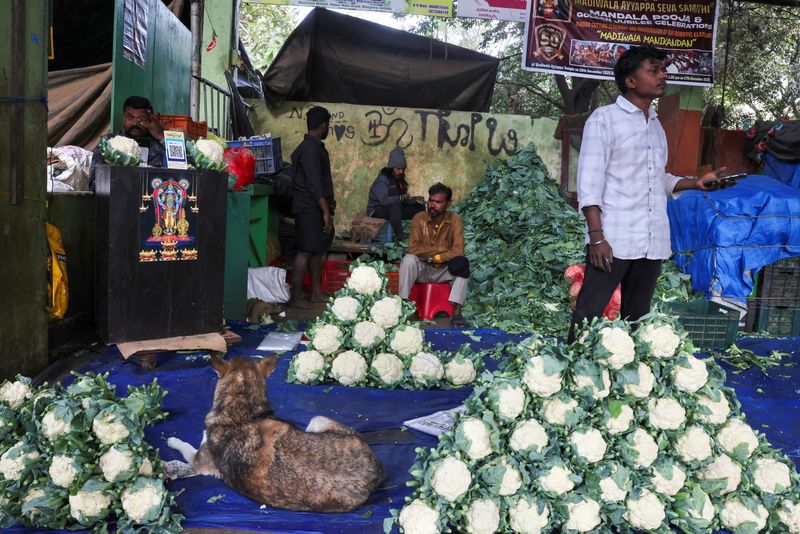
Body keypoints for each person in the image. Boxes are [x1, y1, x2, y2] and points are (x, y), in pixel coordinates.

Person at [567, 46, 726, 343]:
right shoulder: (605, 119)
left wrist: (694, 182)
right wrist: (597, 238)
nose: (663, 75)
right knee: (589, 313)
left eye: (662, 69)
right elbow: (589, 184)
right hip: (614, 240)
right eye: (653, 70)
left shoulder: (655, 125)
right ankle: (572, 367)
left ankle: (629, 375)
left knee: (636, 317)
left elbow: (658, 179)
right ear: (630, 81)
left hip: (652, 240)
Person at [399, 183, 470, 328]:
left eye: (438, 202)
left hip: (444, 270)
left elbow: (458, 251)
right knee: (408, 259)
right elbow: (413, 248)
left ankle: (456, 312)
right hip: (423, 269)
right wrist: (442, 248)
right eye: (431, 201)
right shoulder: (419, 219)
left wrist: (437, 257)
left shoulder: (455, 220)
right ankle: (403, 304)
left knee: (462, 263)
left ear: (448, 204)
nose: (432, 205)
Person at [288, 106, 335, 308]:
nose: (328, 129)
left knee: (317, 250)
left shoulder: (312, 147)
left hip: (313, 206)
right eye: (328, 126)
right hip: (309, 207)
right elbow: (315, 184)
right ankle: (296, 296)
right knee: (305, 251)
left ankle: (316, 292)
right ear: (323, 125)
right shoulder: (310, 150)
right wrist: (326, 211)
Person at [89, 95, 166, 188]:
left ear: (150, 120)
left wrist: (162, 137)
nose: (135, 123)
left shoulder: (159, 145)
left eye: (141, 118)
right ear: (124, 118)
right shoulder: (108, 144)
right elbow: (93, 184)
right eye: (130, 117)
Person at [366, 147, 425, 240]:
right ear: (391, 168)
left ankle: (421, 236)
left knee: (419, 207)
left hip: (393, 208)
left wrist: (414, 200)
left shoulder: (399, 179)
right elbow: (385, 201)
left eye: (403, 169)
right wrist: (401, 198)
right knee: (395, 206)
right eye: (398, 169)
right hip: (376, 209)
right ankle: (400, 238)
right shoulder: (382, 179)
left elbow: (401, 200)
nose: (401, 171)